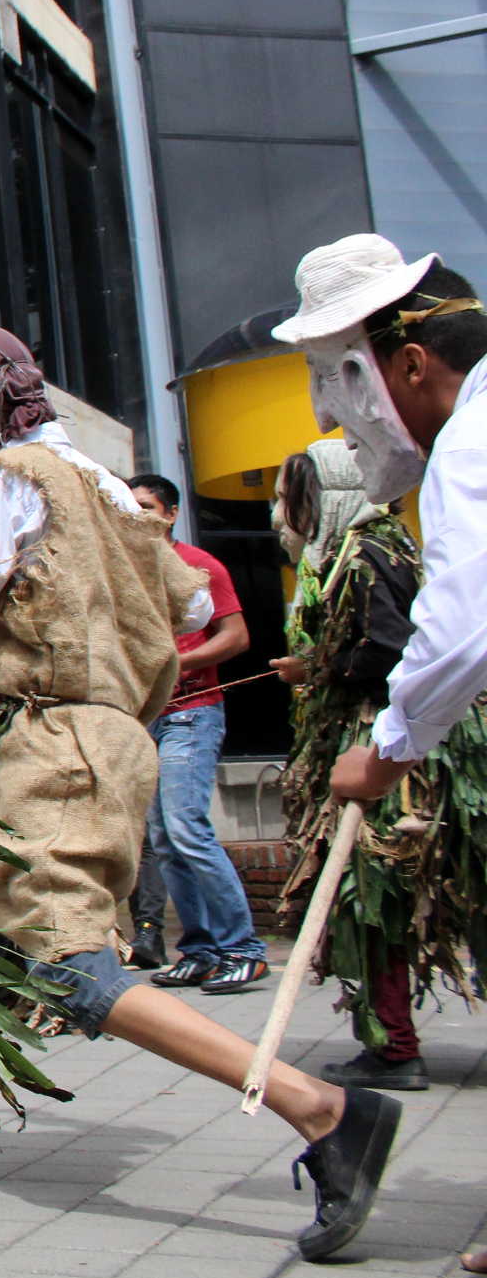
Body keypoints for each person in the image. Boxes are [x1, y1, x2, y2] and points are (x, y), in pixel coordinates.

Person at [0, 323, 395, 1263]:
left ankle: (320, 1109)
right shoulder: (115, 492)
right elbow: (193, 605)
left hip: (55, 743)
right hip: (111, 738)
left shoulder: (16, 481)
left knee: (72, 968)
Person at [268, 440, 464, 1092]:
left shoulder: (367, 550)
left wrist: (316, 667)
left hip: (376, 753)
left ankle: (395, 1047)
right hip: (377, 743)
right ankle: (388, 1038)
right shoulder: (367, 547)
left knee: (370, 895)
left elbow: (386, 651)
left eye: (291, 497)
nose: (282, 513)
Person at [120, 473, 265, 989]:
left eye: (146, 506)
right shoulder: (125, 570)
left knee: (185, 828)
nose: (137, 515)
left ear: (172, 512)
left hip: (192, 712)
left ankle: (244, 947)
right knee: (162, 837)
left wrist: (178, 663)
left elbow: (237, 637)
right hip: (150, 718)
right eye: (129, 506)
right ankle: (200, 948)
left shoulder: (201, 565)